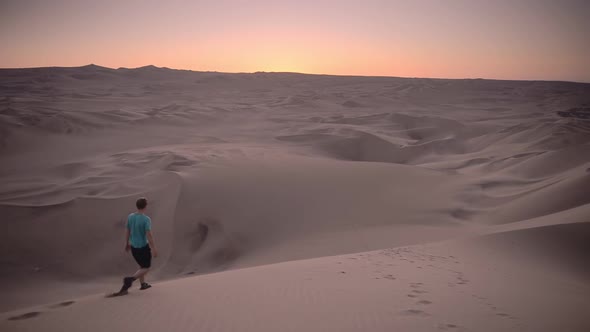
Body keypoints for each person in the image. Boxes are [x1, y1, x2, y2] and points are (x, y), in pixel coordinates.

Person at [118, 197, 158, 294]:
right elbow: (149, 234)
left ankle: (143, 284)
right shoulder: (146, 219)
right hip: (143, 247)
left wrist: (127, 243)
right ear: (145, 206)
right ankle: (130, 280)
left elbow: (128, 230)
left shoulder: (130, 216)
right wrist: (153, 248)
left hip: (133, 247)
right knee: (146, 267)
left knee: (142, 265)